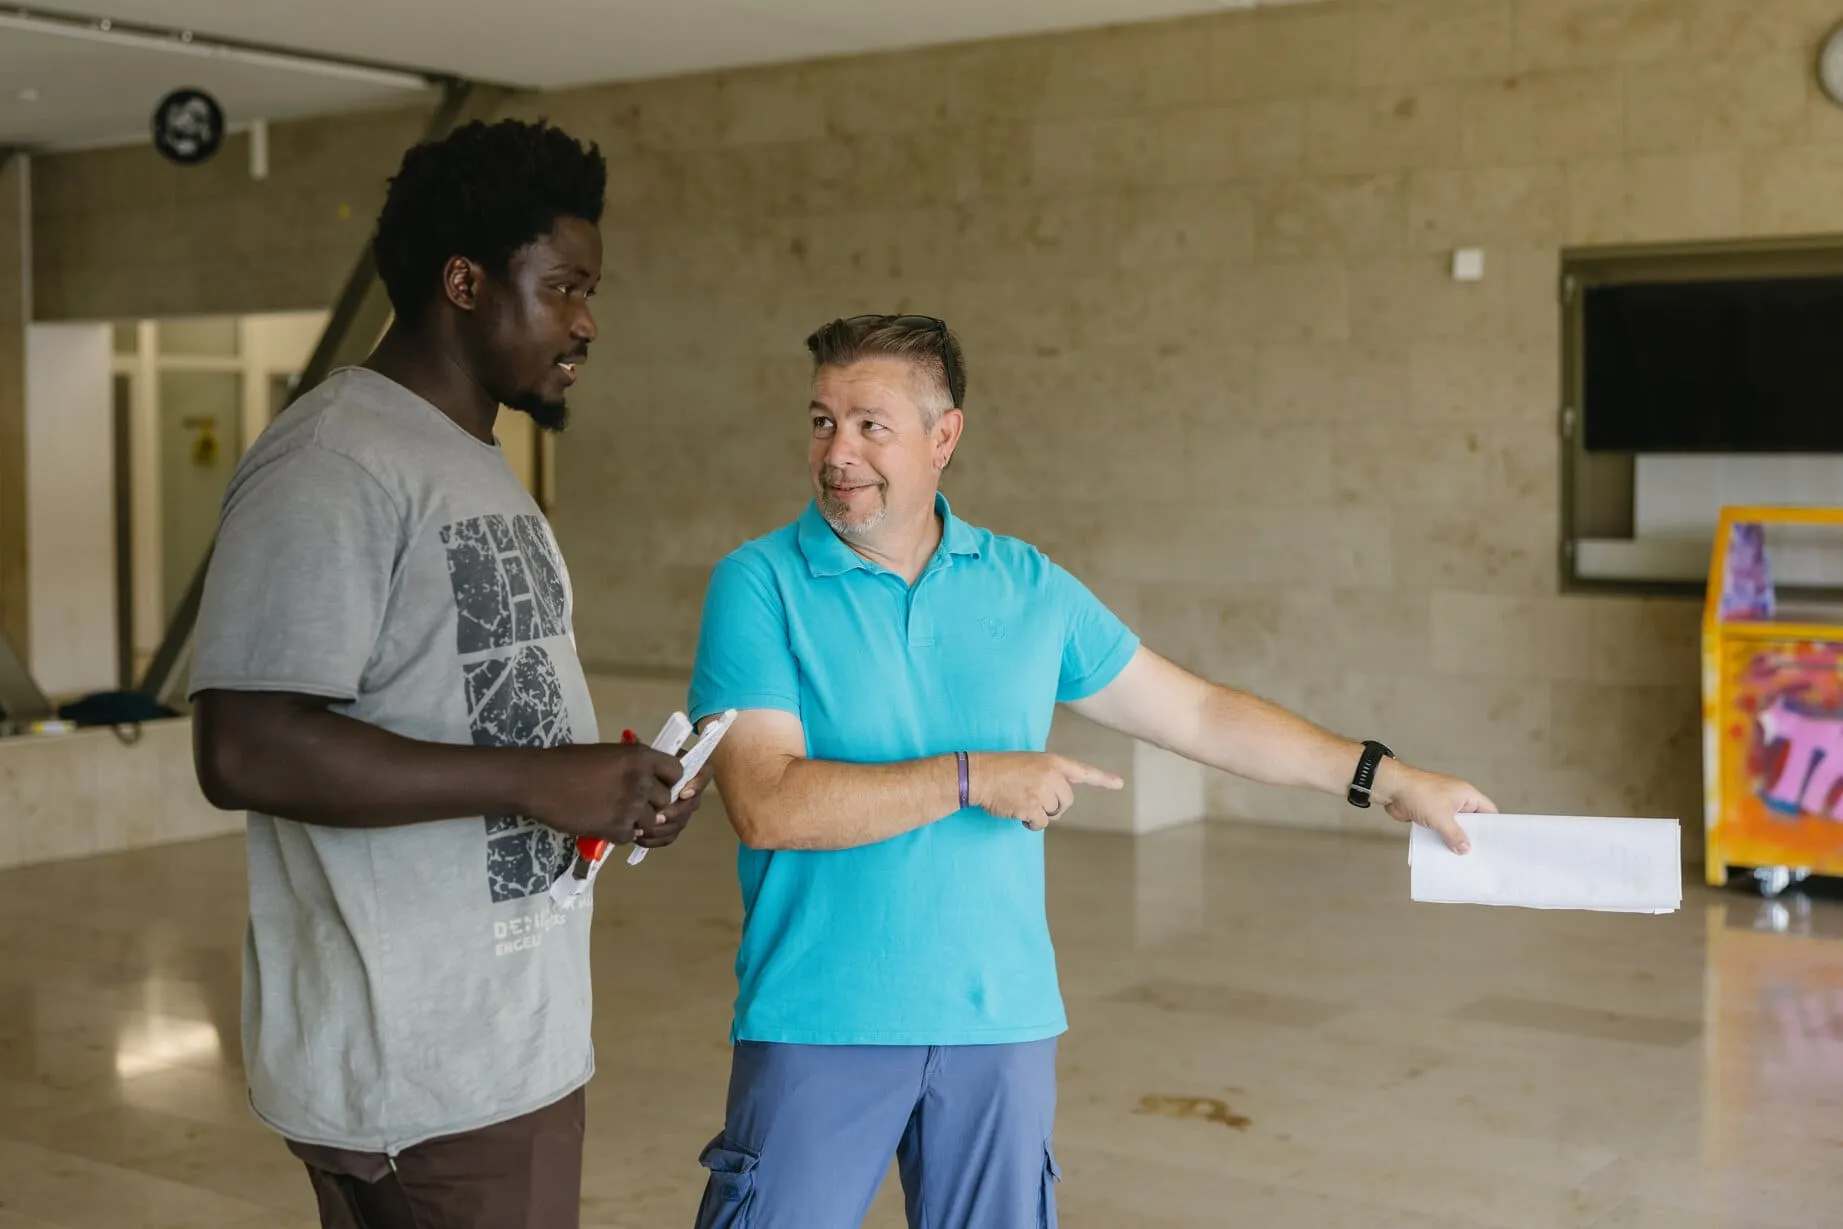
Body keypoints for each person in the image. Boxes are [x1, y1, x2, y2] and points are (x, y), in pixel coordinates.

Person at [684, 313, 1497, 1229]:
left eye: (871, 424)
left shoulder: (1026, 585)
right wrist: (972, 778)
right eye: (822, 420)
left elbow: (1195, 711)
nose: (838, 451)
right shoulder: (758, 584)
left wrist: (1385, 777)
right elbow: (765, 800)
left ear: (943, 435)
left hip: (1003, 1020)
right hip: (818, 1016)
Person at [187, 118, 710, 1229]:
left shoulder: (469, 458)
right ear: (464, 281)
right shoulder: (333, 463)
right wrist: (536, 781)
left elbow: (468, 705)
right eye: (563, 287)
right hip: (419, 1078)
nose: (586, 322)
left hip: (495, 1038)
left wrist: (609, 788)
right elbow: (244, 745)